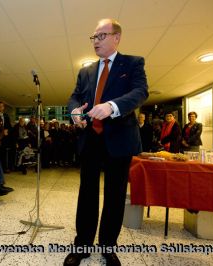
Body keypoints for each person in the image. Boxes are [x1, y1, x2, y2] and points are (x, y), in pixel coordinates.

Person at [66, 19, 148, 266]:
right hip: (90, 138)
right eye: (93, 37)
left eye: (101, 36)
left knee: (114, 195)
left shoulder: (133, 63)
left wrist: (112, 106)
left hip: (120, 138)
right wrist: (74, 113)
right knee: (87, 193)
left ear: (116, 37)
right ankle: (82, 246)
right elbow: (75, 97)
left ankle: (108, 247)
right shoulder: (86, 71)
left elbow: (140, 92)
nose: (96, 41)